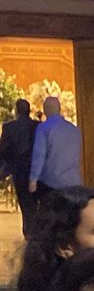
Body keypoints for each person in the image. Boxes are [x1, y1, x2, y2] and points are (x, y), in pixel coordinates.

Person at [28, 95, 83, 198]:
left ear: (45, 110)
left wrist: (33, 179)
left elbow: (39, 155)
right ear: (59, 109)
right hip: (74, 181)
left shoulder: (43, 128)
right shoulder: (75, 130)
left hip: (52, 183)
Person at [0, 99, 38, 236]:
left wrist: (3, 169)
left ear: (16, 111)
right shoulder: (38, 126)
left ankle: (29, 231)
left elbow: (3, 150)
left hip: (19, 170)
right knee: (35, 201)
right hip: (38, 170)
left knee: (24, 201)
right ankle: (34, 230)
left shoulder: (9, 128)